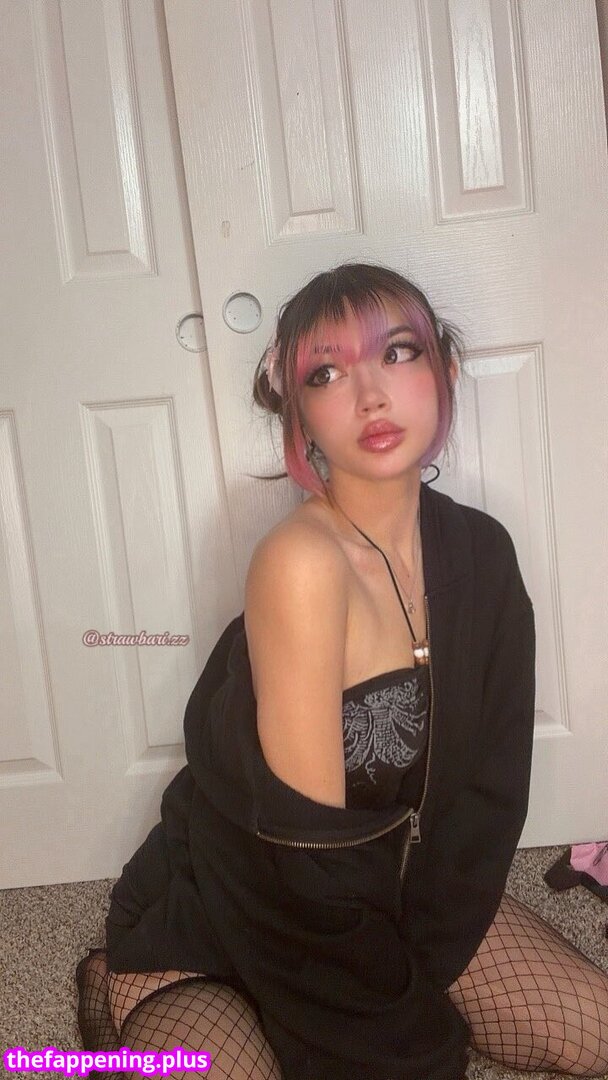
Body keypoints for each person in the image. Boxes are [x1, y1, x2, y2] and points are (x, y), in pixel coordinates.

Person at [76, 263, 608, 1079]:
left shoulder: (482, 553)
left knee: (593, 1029)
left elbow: (488, 795)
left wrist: (426, 952)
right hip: (236, 916)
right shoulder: (299, 566)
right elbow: (303, 871)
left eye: (397, 353)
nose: (369, 396)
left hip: (400, 896)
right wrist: (408, 1044)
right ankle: (115, 982)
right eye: (325, 374)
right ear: (299, 417)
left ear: (445, 369)